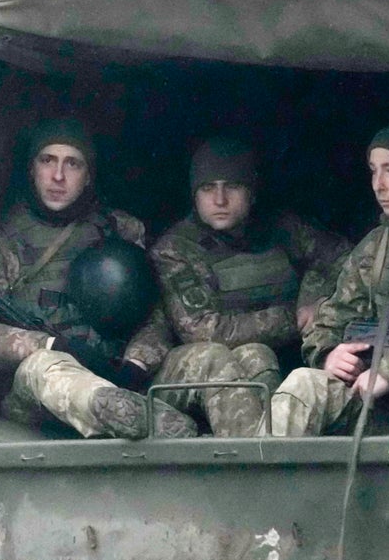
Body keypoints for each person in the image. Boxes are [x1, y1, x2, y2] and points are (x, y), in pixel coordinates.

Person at [0, 118, 196, 439]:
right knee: (45, 367)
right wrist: (50, 344)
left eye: (72, 164)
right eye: (47, 161)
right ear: (32, 169)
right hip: (38, 391)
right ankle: (125, 412)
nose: (58, 176)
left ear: (88, 177)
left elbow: (155, 316)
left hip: (121, 373)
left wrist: (135, 366)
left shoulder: (121, 230)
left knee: (209, 359)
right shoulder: (3, 242)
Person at [148, 136, 349, 436]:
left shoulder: (282, 230)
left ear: (252, 193)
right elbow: (205, 331)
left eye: (232, 186)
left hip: (282, 367)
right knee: (255, 354)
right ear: (194, 196)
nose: (219, 200)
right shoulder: (176, 249)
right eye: (207, 188)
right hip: (203, 377)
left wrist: (314, 291)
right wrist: (293, 317)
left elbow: (346, 258)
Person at [269, 118, 389, 436]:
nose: (378, 184)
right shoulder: (377, 246)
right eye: (374, 170)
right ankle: (262, 485)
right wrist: (329, 355)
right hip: (379, 405)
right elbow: (330, 322)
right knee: (303, 386)